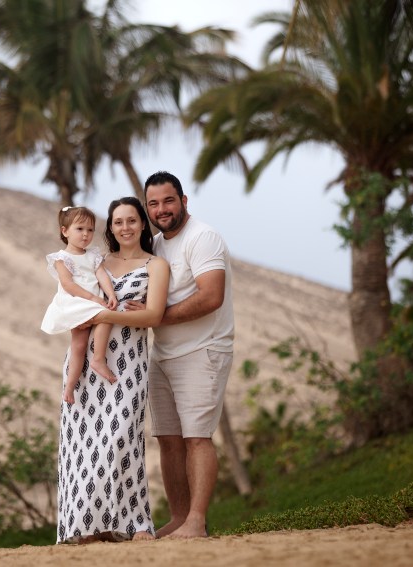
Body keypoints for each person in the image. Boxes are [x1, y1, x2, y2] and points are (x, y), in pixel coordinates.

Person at [56, 197, 170, 544]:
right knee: (84, 444)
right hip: (85, 366)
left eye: (132, 220)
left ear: (142, 224)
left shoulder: (156, 265)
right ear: (111, 227)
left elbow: (152, 317)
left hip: (128, 364)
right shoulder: (94, 259)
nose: (125, 227)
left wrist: (108, 314)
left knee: (122, 438)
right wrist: (102, 312)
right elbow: (70, 297)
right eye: (118, 222)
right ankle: (88, 525)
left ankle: (134, 523)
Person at [127, 171, 235, 539]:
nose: (162, 209)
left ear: (184, 201)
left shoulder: (202, 237)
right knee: (168, 439)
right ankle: (178, 518)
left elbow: (211, 296)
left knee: (196, 438)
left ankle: (196, 523)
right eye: (153, 203)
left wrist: (155, 316)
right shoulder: (155, 246)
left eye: (168, 200)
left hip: (204, 350)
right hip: (163, 354)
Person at [41, 206, 118, 404]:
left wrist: (110, 294)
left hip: (95, 301)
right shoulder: (62, 258)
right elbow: (68, 284)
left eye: (90, 230)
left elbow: (101, 275)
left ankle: (97, 358)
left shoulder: (93, 255)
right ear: (65, 231)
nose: (85, 234)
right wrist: (93, 299)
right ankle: (71, 385)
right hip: (76, 302)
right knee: (79, 345)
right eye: (80, 229)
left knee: (106, 315)